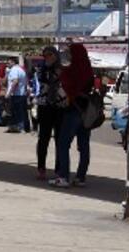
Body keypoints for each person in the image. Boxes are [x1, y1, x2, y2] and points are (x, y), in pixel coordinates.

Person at [52, 42, 94, 189]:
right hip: (86, 112)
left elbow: (65, 87)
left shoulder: (71, 70)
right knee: (84, 146)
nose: (69, 55)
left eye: (70, 52)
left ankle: (63, 176)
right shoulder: (88, 70)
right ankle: (81, 177)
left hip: (73, 110)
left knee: (63, 143)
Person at [34, 46, 62, 180]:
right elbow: (41, 82)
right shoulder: (42, 68)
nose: (48, 58)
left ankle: (59, 169)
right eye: (45, 55)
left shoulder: (61, 68)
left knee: (60, 140)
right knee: (43, 139)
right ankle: (41, 168)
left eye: (50, 55)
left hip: (59, 106)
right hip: (45, 106)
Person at [6, 60, 30, 134]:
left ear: (13, 62)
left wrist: (9, 92)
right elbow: (26, 83)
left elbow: (15, 81)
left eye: (8, 63)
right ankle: (25, 127)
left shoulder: (14, 70)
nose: (7, 64)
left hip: (16, 94)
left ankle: (19, 127)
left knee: (16, 111)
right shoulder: (22, 70)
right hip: (22, 94)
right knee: (23, 111)